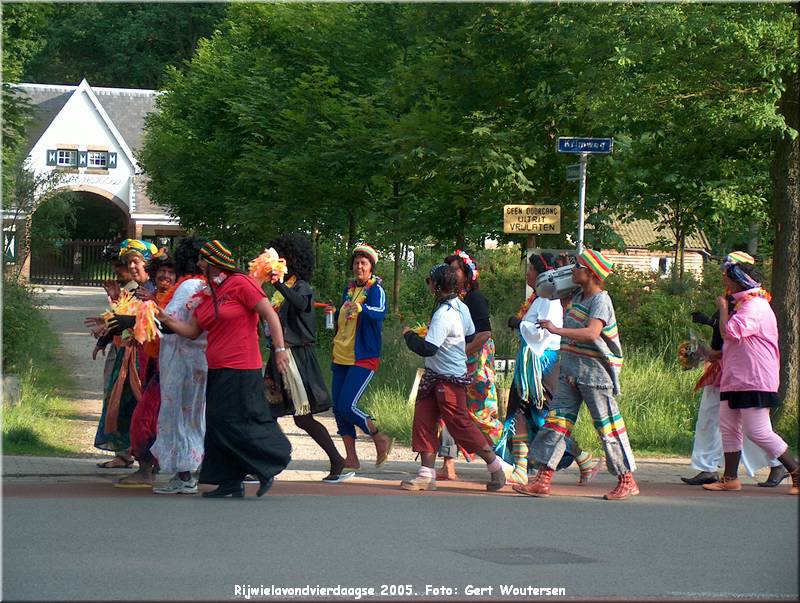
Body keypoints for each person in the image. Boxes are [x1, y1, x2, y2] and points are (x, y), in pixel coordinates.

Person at [158, 240, 292, 498]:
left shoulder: (241, 284)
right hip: (217, 368)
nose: (199, 264)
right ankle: (229, 481)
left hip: (242, 367)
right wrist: (165, 319)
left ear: (214, 263)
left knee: (242, 422)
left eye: (203, 261)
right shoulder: (207, 294)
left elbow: (270, 315)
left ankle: (267, 466)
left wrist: (279, 350)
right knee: (218, 424)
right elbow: (193, 331)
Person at [516, 249, 639, 500]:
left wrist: (556, 330)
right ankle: (543, 478)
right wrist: (561, 271)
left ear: (590, 274)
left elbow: (592, 333)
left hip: (596, 376)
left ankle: (627, 479)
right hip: (571, 372)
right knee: (556, 424)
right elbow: (552, 290)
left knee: (608, 428)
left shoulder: (600, 300)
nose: (573, 271)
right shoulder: (577, 296)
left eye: (577, 268)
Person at [402, 264, 508, 492]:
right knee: (424, 421)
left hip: (447, 378)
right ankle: (425, 475)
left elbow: (428, 348)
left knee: (460, 425)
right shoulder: (460, 307)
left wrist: (409, 336)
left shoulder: (444, 314)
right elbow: (469, 334)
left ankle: (496, 467)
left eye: (430, 281)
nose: (428, 285)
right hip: (437, 376)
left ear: (437, 286)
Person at [682, 251, 784, 486]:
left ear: (739, 273)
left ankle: (780, 463)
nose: (722, 275)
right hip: (727, 368)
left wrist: (712, 343)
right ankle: (712, 469)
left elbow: (730, 333)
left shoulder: (747, 301)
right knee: (717, 421)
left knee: (752, 428)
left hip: (741, 372)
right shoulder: (735, 298)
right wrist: (706, 345)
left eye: (727, 271)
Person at [701, 258, 799, 494]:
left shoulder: (756, 306)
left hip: (755, 379)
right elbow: (734, 346)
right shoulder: (745, 305)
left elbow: (730, 333)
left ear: (739, 282)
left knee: (758, 431)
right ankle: (730, 478)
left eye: (727, 279)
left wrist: (723, 308)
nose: (725, 283)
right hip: (735, 378)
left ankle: (796, 471)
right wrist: (710, 354)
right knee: (728, 427)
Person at [502, 253, 600, 486]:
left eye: (531, 270)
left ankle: (583, 458)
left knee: (546, 418)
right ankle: (521, 468)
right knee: (521, 413)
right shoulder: (540, 298)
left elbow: (543, 332)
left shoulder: (547, 300)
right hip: (532, 364)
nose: (527, 274)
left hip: (542, 366)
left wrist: (519, 324)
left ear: (542, 274)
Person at [263, 234, 350, 482]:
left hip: (295, 358)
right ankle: (262, 463)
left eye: (280, 258)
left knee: (302, 418)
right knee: (266, 411)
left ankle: (336, 459)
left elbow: (301, 304)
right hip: (279, 355)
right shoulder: (285, 289)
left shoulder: (301, 287)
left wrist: (279, 285)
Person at [435, 250, 503, 481]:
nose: (452, 273)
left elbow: (484, 334)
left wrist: (460, 355)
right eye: (450, 270)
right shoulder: (452, 300)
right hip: (457, 364)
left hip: (475, 363)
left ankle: (508, 457)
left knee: (480, 414)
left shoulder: (475, 299)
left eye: (455, 269)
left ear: (467, 274)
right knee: (449, 409)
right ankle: (448, 464)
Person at [91, 239, 158, 470]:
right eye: (128, 262)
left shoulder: (155, 290)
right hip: (126, 354)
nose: (130, 267)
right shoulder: (132, 290)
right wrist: (104, 336)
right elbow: (120, 318)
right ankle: (126, 453)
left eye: (135, 262)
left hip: (146, 357)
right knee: (121, 403)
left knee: (143, 404)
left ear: (148, 263)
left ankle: (148, 457)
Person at [150, 237, 208, 495]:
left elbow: (167, 322)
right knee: (195, 415)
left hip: (181, 359)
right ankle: (192, 470)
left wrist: (138, 318)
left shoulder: (188, 287)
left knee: (179, 416)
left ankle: (184, 474)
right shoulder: (207, 286)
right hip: (200, 359)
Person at [115, 252, 178, 487]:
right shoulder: (149, 296)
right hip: (155, 364)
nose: (165, 275)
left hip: (173, 367)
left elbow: (171, 323)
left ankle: (149, 469)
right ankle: (148, 468)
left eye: (171, 272)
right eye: (162, 271)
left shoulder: (176, 297)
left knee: (146, 417)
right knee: (148, 416)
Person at [330, 243, 394, 472]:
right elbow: (343, 317)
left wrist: (361, 308)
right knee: (337, 407)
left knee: (347, 405)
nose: (359, 266)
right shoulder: (348, 289)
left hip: (363, 356)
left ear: (371, 268)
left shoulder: (376, 289)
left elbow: (380, 313)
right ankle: (351, 458)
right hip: (341, 354)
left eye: (363, 263)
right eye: (356, 263)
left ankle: (378, 436)